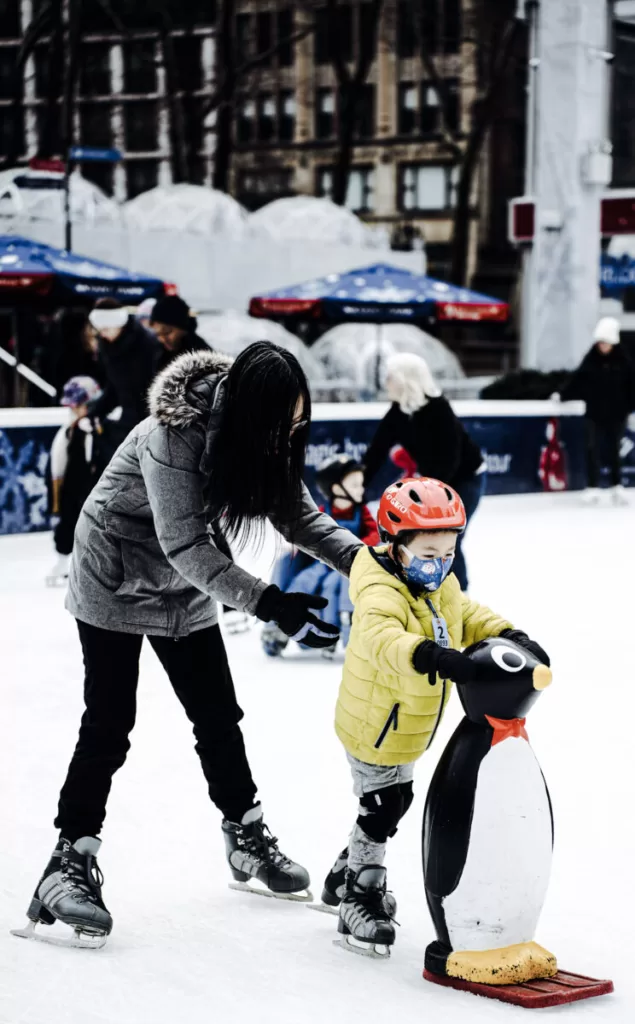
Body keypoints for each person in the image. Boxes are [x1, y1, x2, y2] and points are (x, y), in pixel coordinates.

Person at [20, 342, 362, 948]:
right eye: (284, 423)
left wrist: (364, 564)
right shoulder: (172, 434)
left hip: (186, 583)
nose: (290, 435)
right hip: (115, 574)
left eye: (297, 425)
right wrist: (268, 601)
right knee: (109, 721)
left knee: (217, 715)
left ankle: (246, 838)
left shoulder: (262, 434)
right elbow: (185, 544)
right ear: (253, 409)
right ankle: (66, 863)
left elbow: (299, 516)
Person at [319, 476, 549, 957]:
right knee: (385, 805)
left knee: (393, 801)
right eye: (427, 552)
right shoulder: (380, 590)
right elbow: (381, 637)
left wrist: (510, 632)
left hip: (406, 725)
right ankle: (359, 893)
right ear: (394, 545)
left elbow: (465, 613)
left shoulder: (441, 584)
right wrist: (431, 655)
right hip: (374, 723)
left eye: (447, 552)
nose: (439, 564)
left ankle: (344, 870)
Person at [363, 353, 485, 592]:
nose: (385, 382)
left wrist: (428, 496)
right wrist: (355, 484)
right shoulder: (399, 411)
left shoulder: (438, 410)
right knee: (429, 538)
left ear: (404, 380)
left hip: (465, 480)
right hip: (434, 483)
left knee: (448, 537)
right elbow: (376, 452)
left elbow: (450, 460)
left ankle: (460, 594)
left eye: (390, 377)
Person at [262, 454, 379, 657]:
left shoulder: (362, 512)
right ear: (336, 489)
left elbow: (373, 532)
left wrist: (362, 546)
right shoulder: (322, 513)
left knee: (333, 585)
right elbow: (309, 533)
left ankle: (337, 628)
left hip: (348, 563)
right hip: (322, 562)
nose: (361, 489)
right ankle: (279, 622)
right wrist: (296, 551)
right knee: (302, 581)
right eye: (355, 485)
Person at [558, 316, 635, 505]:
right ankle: (593, 486)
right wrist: (562, 394)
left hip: (617, 414)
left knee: (614, 451)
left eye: (606, 343)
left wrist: (631, 408)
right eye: (601, 342)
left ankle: (616, 486)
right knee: (592, 449)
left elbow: (632, 386)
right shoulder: (591, 359)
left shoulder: (623, 361)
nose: (603, 346)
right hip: (594, 413)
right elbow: (578, 379)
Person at [46, 376, 111, 586]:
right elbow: (57, 467)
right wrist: (56, 499)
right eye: (73, 407)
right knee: (68, 524)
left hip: (98, 489)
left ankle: (99, 567)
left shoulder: (107, 427)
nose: (75, 411)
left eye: (79, 406)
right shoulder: (69, 432)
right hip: (73, 490)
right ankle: (64, 561)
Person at [86, 297, 162, 447]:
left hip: (151, 422)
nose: (102, 334)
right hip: (128, 421)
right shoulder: (108, 348)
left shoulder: (148, 344)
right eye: (100, 330)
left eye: (105, 329)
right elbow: (114, 387)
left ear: (118, 324)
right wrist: (94, 413)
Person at [149, 294, 211, 374]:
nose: (162, 339)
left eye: (167, 332)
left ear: (183, 328)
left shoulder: (201, 357)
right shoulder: (158, 354)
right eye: (158, 334)